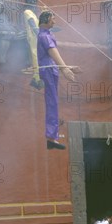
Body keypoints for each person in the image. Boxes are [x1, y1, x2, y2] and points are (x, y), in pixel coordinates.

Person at [37, 10, 81, 150]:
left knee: (54, 101)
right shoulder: (44, 36)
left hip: (52, 68)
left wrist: (68, 67)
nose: (54, 21)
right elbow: (52, 53)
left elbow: (55, 56)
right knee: (52, 101)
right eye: (53, 19)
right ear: (47, 19)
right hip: (49, 69)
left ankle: (52, 136)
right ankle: (51, 137)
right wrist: (65, 69)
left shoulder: (48, 34)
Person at [23, 0, 43, 90]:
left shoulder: (35, 14)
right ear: (28, 2)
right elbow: (33, 26)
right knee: (35, 57)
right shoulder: (27, 12)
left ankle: (37, 79)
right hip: (32, 39)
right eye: (32, 1)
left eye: (35, 1)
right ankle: (37, 79)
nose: (34, 3)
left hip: (37, 39)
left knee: (38, 58)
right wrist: (42, 35)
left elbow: (39, 27)